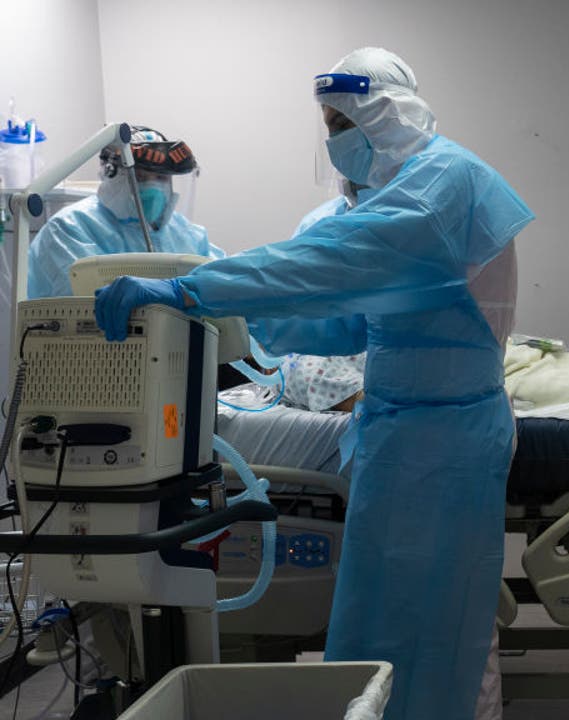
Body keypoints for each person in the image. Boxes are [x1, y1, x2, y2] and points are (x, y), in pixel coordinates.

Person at [93, 47, 533, 720]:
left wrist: (194, 289)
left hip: (441, 442)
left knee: (439, 628)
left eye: (343, 124)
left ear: (388, 115)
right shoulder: (407, 189)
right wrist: (252, 326)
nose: (335, 142)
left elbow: (323, 261)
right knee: (380, 617)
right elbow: (354, 322)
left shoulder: (440, 187)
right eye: (328, 127)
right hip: (402, 436)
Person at [27, 125, 222, 299]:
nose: (154, 188)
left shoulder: (188, 234)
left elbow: (222, 289)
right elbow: (89, 302)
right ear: (112, 175)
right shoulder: (70, 228)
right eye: (140, 177)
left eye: (161, 178)